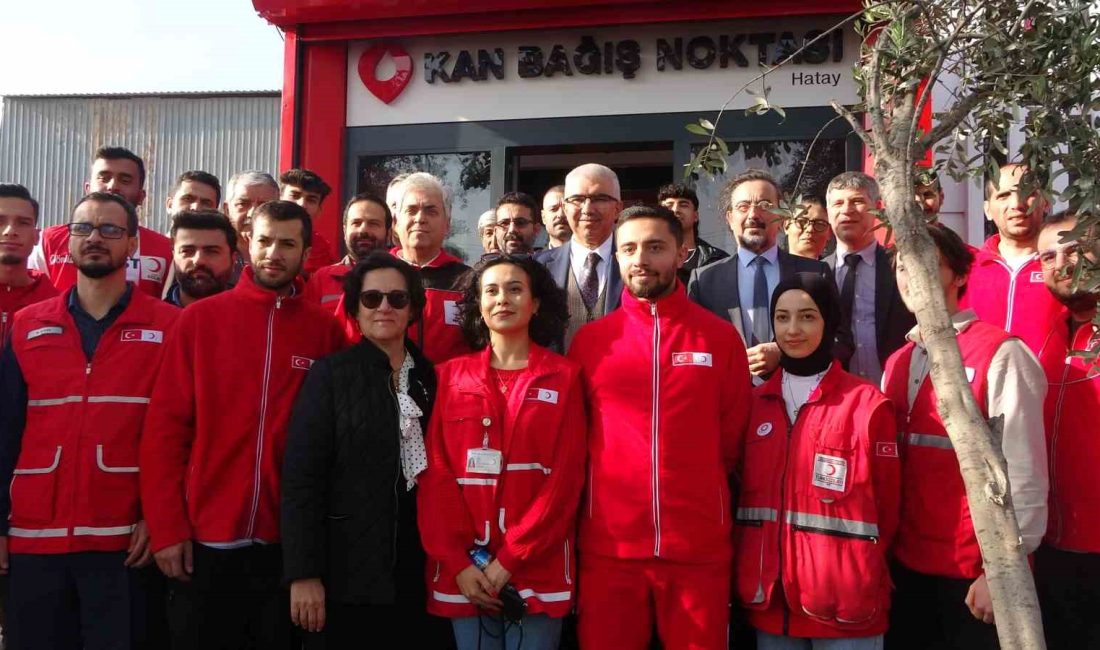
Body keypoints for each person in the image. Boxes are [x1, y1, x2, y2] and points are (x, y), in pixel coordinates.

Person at [140, 200, 346, 650]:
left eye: (288, 243)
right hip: (203, 540)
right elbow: (164, 431)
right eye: (265, 240)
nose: (274, 253)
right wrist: (168, 527)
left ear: (306, 252)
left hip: (283, 544)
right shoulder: (199, 321)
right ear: (246, 243)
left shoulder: (324, 331)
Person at [0, 191, 179, 650]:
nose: (94, 238)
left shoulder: (169, 326)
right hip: (34, 538)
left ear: (134, 244)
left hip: (122, 543)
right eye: (83, 229)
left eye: (110, 230)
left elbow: (180, 433)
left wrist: (160, 517)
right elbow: (4, 431)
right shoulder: (25, 324)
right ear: (67, 242)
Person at [569, 205, 751, 650]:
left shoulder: (719, 338)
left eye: (655, 247)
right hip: (610, 547)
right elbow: (577, 440)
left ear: (682, 253)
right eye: (628, 248)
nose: (640, 259)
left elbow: (732, 436)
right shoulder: (591, 342)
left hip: (697, 548)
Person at [883, 224, 1048, 650]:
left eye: (927, 264)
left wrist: (1003, 573)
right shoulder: (898, 362)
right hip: (907, 572)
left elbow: (1025, 473)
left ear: (958, 276)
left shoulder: (1003, 354)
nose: (911, 276)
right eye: (903, 266)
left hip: (973, 579)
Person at [282, 251, 452, 648]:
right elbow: (301, 480)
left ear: (413, 309)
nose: (384, 307)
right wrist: (303, 574)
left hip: (417, 576)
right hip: (344, 578)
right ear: (355, 308)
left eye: (397, 298)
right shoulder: (330, 375)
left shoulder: (433, 378)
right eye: (372, 298)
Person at [418, 254, 585, 650]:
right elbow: (435, 473)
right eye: (490, 291)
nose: (502, 299)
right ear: (478, 303)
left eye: (514, 289)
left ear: (536, 302)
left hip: (537, 566)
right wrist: (458, 562)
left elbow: (566, 479)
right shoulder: (449, 375)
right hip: (467, 573)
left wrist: (511, 558)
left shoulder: (564, 376)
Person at [735, 273, 900, 649]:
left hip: (846, 604)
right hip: (771, 602)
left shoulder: (867, 404)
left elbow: (889, 507)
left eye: (807, 316)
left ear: (830, 320)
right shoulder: (753, 405)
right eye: (782, 317)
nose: (793, 329)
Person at [688, 169, 828, 382]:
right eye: (743, 207)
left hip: (800, 398)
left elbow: (839, 340)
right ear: (730, 218)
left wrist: (784, 352)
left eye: (764, 205)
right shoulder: (704, 279)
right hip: (729, 401)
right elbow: (694, 349)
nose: (753, 215)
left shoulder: (815, 273)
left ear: (782, 216)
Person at [1033, 211, 1100, 650]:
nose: (1061, 261)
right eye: (1048, 255)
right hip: (1054, 546)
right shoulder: (1046, 335)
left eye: (1073, 248)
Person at [33, 146, 173, 298]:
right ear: (87, 188)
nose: (112, 186)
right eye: (104, 178)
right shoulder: (48, 241)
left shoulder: (165, 250)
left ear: (141, 196)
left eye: (125, 180)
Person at [963, 162, 1064, 355]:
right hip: (979, 384)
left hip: (1050, 383)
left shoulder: (1064, 267)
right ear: (987, 210)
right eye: (1003, 196)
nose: (1017, 204)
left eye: (1028, 193)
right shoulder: (965, 268)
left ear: (1046, 202)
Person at [823, 171, 914, 386]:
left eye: (857, 201)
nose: (847, 210)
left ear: (878, 207)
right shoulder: (816, 272)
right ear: (828, 212)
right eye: (838, 203)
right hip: (838, 397)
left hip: (898, 390)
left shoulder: (902, 265)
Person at [535, 164, 623, 352]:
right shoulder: (537, 267)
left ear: (618, 208)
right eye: (577, 199)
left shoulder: (636, 264)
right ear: (565, 207)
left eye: (600, 198)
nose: (588, 209)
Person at [389, 172, 471, 364]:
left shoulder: (468, 281)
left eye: (431, 211)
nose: (420, 218)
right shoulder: (370, 276)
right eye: (411, 210)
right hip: (382, 390)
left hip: (448, 391)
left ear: (447, 225)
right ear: (395, 223)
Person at [304, 192, 392, 308]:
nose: (363, 230)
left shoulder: (402, 278)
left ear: (388, 233)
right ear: (345, 231)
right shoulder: (322, 279)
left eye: (373, 224)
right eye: (356, 223)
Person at [0, 184, 57, 343]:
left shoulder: (56, 306)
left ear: (37, 236)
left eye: (23, 222)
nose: (10, 231)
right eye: (0, 221)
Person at [658, 182, 728, 283]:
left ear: (695, 216)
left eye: (683, 205)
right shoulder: (648, 256)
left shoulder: (718, 260)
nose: (675, 210)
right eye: (669, 205)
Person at [164, 210, 237, 307]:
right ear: (173, 256)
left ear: (233, 259)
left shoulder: (253, 318)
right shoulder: (153, 319)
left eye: (212, 251)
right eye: (187, 251)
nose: (198, 260)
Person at [222, 171, 280, 282]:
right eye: (243, 204)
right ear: (227, 209)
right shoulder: (212, 251)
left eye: (263, 205)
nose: (252, 213)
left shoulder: (287, 253)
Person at [279, 169, 337, 273]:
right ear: (279, 199)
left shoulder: (323, 252)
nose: (302, 204)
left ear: (319, 210)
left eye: (311, 200)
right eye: (295, 195)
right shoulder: (256, 237)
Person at [493, 191, 543, 256]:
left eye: (520, 223)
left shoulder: (547, 266)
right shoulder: (485, 266)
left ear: (536, 229)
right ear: (495, 231)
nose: (512, 229)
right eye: (504, 223)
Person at [541, 185, 571, 249]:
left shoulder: (593, 258)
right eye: (553, 209)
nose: (561, 215)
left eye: (566, 209)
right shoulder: (535, 259)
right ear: (543, 217)